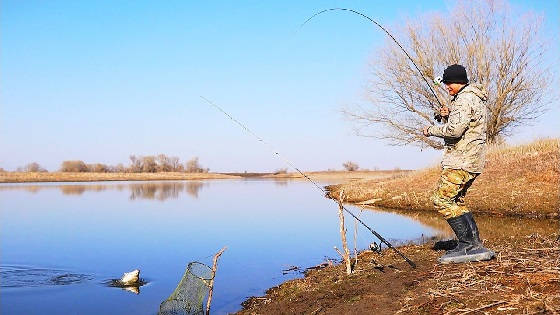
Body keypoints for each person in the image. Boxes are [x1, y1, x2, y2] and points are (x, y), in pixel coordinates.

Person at [423, 64, 494, 264]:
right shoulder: (472, 98)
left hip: (461, 160)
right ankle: (472, 244)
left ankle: (468, 245)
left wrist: (431, 130)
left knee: (442, 200)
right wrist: (448, 115)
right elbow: (465, 123)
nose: (447, 87)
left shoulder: (464, 100)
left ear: (458, 81)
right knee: (456, 201)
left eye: (449, 84)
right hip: (471, 160)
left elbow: (454, 131)